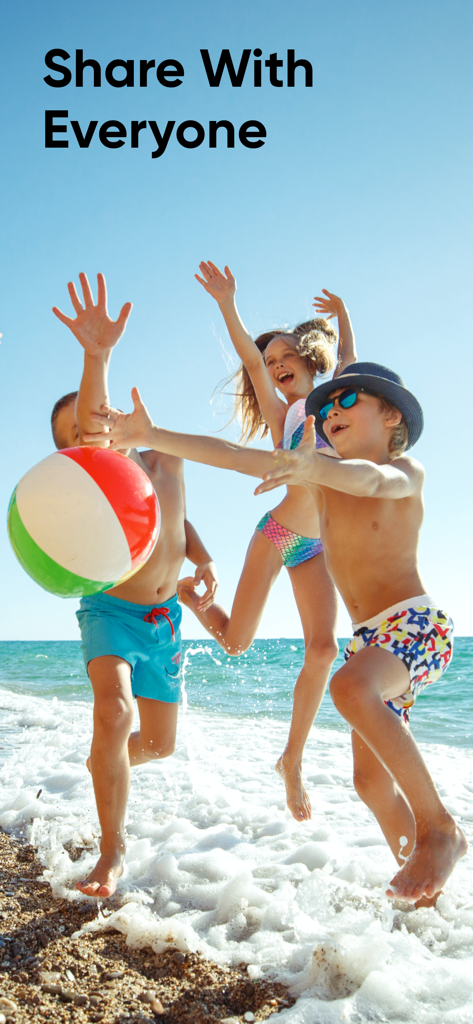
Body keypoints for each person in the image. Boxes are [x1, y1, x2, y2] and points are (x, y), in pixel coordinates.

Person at [250, 361, 466, 903]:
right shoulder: (325, 486)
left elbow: (371, 478)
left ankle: (440, 829)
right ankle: (425, 898)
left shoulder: (405, 471)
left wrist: (316, 469)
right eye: (324, 409)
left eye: (349, 401)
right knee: (369, 782)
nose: (330, 412)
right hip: (371, 641)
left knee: (348, 687)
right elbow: (238, 459)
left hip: (417, 625)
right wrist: (152, 436)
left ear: (391, 415)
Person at [163, 262, 356, 822]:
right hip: (277, 534)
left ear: (307, 359)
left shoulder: (338, 405)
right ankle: (188, 596)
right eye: (270, 365)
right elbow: (247, 358)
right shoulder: (287, 414)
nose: (274, 369)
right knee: (236, 642)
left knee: (323, 650)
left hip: (317, 547)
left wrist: (343, 316)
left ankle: (291, 759)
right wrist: (228, 303)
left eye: (284, 360)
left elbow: (348, 362)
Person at [52, 273, 218, 899]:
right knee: (114, 710)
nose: (91, 429)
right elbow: (97, 428)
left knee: (158, 744)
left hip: (166, 619)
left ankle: (106, 764)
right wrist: (97, 356)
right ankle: (110, 854)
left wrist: (204, 561)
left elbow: (177, 520)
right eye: (76, 433)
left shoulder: (161, 457)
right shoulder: (97, 471)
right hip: (111, 612)